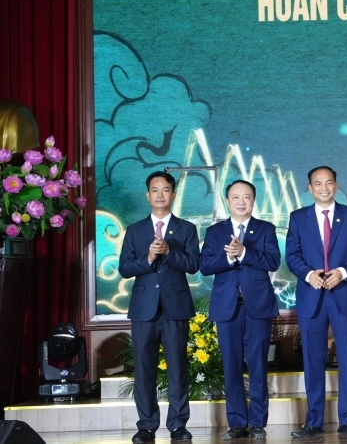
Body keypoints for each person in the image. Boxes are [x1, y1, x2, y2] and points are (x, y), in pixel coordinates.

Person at [285, 166, 347, 438]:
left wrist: (343, 272)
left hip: (344, 294)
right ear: (310, 188)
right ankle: (313, 422)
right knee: (313, 361)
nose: (324, 188)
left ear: (336, 185)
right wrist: (308, 274)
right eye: (318, 183)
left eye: (329, 182)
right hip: (311, 296)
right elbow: (292, 254)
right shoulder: (298, 217)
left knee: (346, 358)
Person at [118, 171, 200, 443]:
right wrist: (149, 257)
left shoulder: (186, 228)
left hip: (176, 307)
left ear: (173, 194)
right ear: (148, 195)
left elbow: (194, 264)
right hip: (144, 309)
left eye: (165, 190)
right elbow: (125, 268)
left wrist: (168, 252)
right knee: (144, 370)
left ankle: (178, 425)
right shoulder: (135, 230)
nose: (160, 194)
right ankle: (146, 426)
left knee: (177, 368)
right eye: (155, 190)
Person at [199, 180, 282, 440]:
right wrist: (229, 257)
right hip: (227, 309)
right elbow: (205, 266)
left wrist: (245, 252)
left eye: (246, 197)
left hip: (258, 308)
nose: (241, 201)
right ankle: (236, 423)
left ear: (253, 201)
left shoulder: (265, 229)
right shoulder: (215, 232)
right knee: (231, 367)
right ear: (228, 201)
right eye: (236, 197)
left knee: (258, 366)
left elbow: (273, 261)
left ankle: (257, 423)